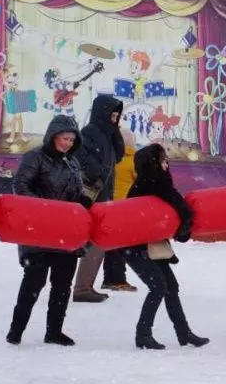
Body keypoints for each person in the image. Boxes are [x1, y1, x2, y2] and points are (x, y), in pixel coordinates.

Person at [7, 115, 91, 347]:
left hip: (66, 232)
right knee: (34, 281)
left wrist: (81, 201)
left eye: (72, 140)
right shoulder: (35, 158)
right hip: (39, 231)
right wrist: (46, 209)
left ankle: (54, 331)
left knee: (62, 284)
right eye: (65, 138)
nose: (68, 143)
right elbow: (21, 186)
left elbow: (73, 192)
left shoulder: (72, 162)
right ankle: (16, 330)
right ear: (53, 136)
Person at [121, 143, 209, 350]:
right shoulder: (149, 185)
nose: (166, 164)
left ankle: (184, 333)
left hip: (152, 245)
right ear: (151, 164)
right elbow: (181, 208)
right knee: (159, 287)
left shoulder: (156, 184)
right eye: (162, 160)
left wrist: (182, 226)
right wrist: (184, 226)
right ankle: (143, 334)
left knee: (171, 287)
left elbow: (177, 209)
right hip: (137, 248)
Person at [73, 94, 124, 303]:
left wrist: (115, 131)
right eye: (111, 115)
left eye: (116, 116)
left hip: (104, 195)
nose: (114, 119)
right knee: (95, 241)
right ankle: (81, 288)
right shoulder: (89, 132)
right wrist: (98, 174)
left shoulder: (107, 133)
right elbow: (80, 157)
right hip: (92, 196)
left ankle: (85, 286)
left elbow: (118, 156)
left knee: (98, 241)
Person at [102, 129, 138, 292]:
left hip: (109, 206)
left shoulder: (111, 159)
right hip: (125, 208)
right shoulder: (133, 161)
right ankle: (118, 279)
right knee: (120, 247)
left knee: (111, 246)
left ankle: (108, 278)